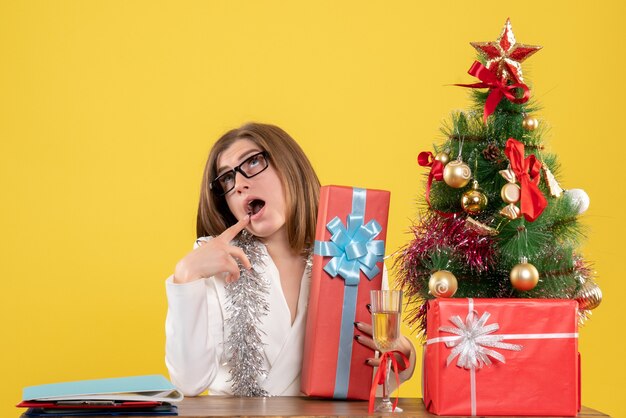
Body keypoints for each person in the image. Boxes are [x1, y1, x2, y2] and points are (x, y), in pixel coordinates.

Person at [165, 122, 415, 396]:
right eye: (226, 178)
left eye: (252, 162)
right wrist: (185, 275)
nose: (238, 184)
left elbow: (370, 380)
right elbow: (189, 382)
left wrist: (403, 360)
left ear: (289, 165)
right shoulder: (213, 264)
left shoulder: (356, 251)